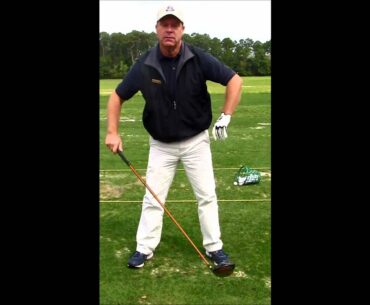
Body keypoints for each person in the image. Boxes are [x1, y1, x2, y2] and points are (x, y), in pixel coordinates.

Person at [105, 3, 243, 269]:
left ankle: (214, 247)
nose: (169, 29)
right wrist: (112, 131)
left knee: (206, 195)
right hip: (161, 145)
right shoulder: (145, 64)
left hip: (195, 142)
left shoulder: (198, 57)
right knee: (153, 198)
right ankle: (144, 248)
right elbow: (117, 96)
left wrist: (226, 115)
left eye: (174, 25)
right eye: (164, 24)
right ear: (157, 29)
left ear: (182, 29)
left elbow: (234, 80)